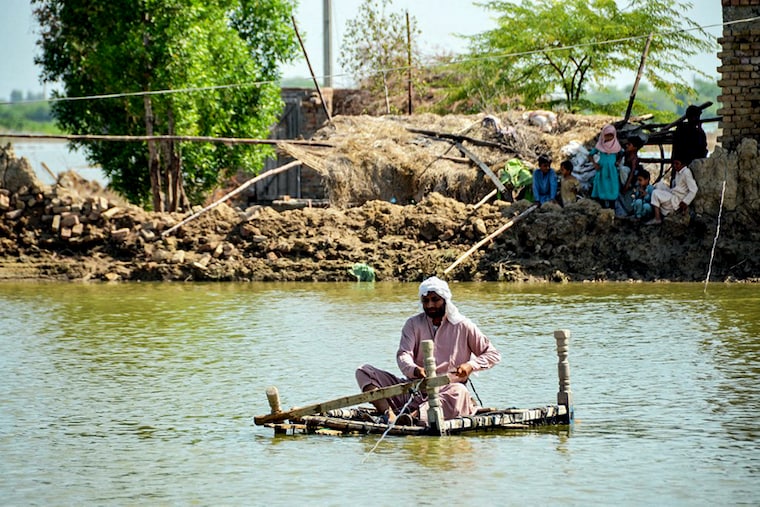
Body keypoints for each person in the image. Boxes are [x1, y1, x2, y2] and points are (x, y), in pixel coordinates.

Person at [355, 276, 501, 425]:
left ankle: (412, 417)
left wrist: (471, 366)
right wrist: (416, 370)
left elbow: (492, 354)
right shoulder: (413, 324)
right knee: (364, 371)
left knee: (459, 391)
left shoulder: (463, 326)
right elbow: (403, 355)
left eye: (435, 300)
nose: (430, 305)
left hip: (447, 392)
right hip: (414, 390)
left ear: (445, 300)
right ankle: (389, 414)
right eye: (426, 301)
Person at [647, 158, 698, 225]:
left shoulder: (686, 172)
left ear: (683, 164)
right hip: (673, 193)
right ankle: (659, 211)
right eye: (674, 163)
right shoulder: (679, 172)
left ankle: (657, 218)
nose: (675, 166)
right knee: (659, 185)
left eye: (677, 164)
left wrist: (685, 202)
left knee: (655, 193)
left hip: (677, 199)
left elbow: (694, 189)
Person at [588, 124, 624, 209]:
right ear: (603, 135)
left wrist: (618, 161)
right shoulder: (600, 145)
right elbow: (590, 155)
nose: (608, 138)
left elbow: (621, 154)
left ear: (614, 135)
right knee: (602, 186)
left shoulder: (616, 146)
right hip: (602, 170)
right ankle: (603, 208)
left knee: (612, 187)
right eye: (606, 135)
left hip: (612, 171)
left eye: (611, 135)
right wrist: (595, 164)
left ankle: (612, 209)